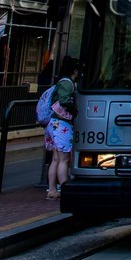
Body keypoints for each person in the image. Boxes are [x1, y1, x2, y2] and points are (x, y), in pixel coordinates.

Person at [45, 56, 80, 199]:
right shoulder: (68, 84)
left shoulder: (61, 82)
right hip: (62, 125)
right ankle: (66, 190)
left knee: (55, 159)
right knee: (64, 159)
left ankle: (52, 190)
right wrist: (75, 111)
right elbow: (64, 100)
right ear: (75, 70)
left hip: (53, 124)